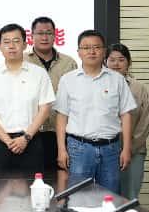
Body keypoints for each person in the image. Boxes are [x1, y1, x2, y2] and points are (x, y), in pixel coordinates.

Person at [54, 30, 136, 194]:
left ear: (104, 51)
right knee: (78, 198)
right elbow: (62, 116)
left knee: (110, 198)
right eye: (86, 48)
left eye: (96, 47)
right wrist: (61, 150)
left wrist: (126, 148)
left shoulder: (117, 79)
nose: (92, 51)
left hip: (111, 149)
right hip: (79, 149)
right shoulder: (68, 80)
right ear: (79, 52)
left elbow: (126, 114)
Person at [0, 24, 55, 173]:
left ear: (25, 44)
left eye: (16, 41)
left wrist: (26, 138)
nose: (11, 46)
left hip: (31, 141)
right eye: (6, 42)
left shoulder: (39, 74)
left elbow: (45, 109)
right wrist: (8, 141)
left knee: (33, 186)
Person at [25, 16, 78, 172]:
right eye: (40, 33)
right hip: (31, 133)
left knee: (61, 178)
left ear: (55, 35)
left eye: (48, 33)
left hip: (61, 132)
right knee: (31, 178)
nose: (44, 37)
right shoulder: (22, 61)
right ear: (32, 36)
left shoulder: (69, 63)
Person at [105, 43, 149, 200]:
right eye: (112, 60)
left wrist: (129, 147)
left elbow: (145, 121)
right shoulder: (97, 85)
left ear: (129, 62)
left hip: (134, 151)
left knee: (129, 196)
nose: (116, 64)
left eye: (121, 60)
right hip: (105, 151)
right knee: (107, 196)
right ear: (105, 62)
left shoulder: (139, 88)